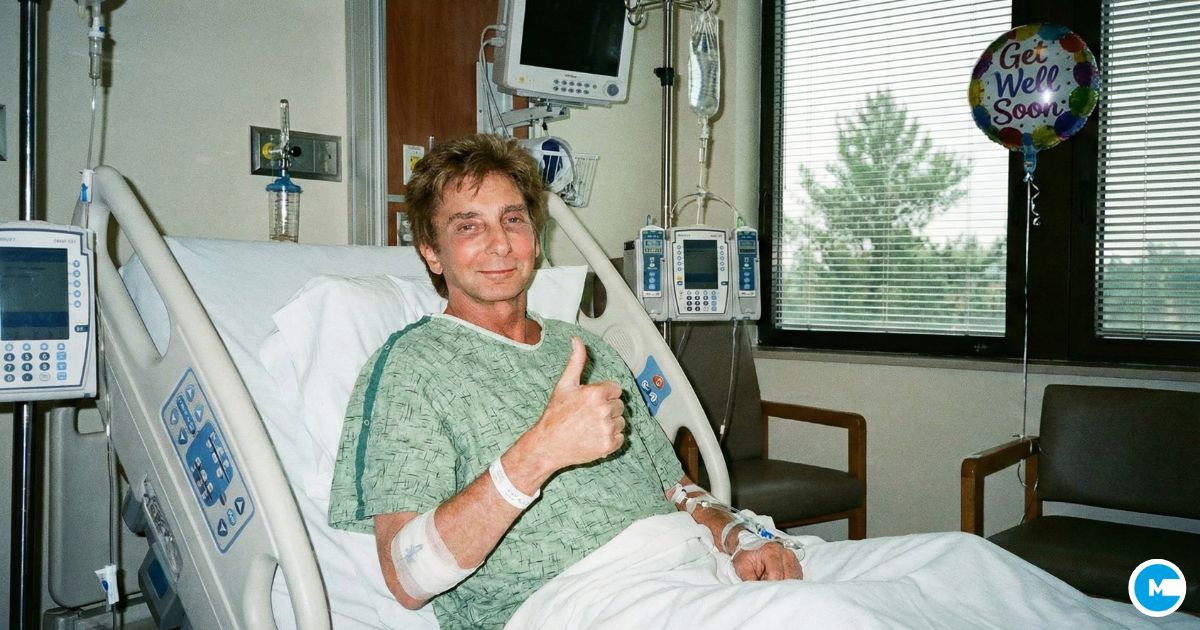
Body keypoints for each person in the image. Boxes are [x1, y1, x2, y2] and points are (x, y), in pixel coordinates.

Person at [327, 134, 800, 629]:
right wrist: (541, 451)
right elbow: (407, 578)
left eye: (513, 219)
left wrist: (734, 535)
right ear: (432, 253)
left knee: (889, 576)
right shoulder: (411, 366)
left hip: (696, 565)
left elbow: (673, 485)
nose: (500, 243)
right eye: (469, 226)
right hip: (582, 600)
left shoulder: (584, 346)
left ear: (535, 235)